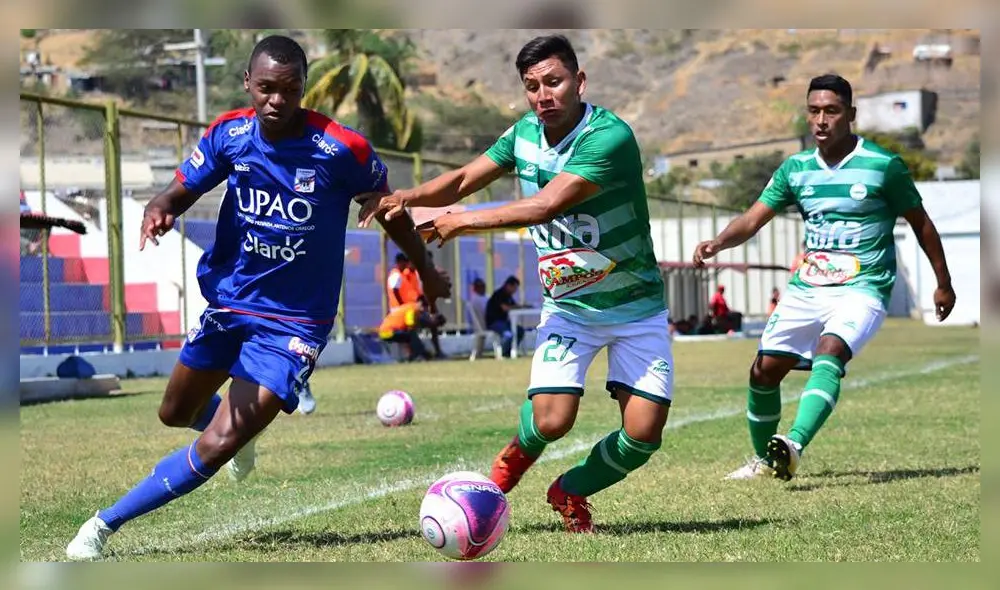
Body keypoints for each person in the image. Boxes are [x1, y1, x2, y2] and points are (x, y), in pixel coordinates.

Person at [65, 35, 450, 560]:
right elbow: (180, 190)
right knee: (176, 413)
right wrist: (161, 207)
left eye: (289, 90)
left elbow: (391, 210)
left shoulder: (342, 149)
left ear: (303, 89)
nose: (276, 100)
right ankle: (242, 434)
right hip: (230, 302)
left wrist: (425, 270)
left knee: (216, 442)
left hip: (294, 324)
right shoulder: (231, 134)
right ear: (248, 83)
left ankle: (101, 528)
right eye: (266, 88)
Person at [358, 34, 673, 533]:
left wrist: (462, 221)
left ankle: (569, 489)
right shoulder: (523, 133)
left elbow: (547, 204)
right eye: (532, 86)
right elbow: (464, 177)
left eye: (554, 81)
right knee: (551, 421)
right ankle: (506, 468)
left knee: (643, 435)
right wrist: (407, 195)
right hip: (570, 309)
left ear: (579, 81)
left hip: (636, 307)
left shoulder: (608, 136)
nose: (544, 94)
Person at [693, 74, 955, 482]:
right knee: (763, 371)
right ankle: (766, 461)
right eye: (814, 111)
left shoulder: (883, 166)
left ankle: (793, 444)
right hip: (807, 287)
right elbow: (753, 218)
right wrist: (718, 243)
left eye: (831, 111)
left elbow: (921, 224)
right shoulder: (795, 169)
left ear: (851, 114)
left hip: (863, 287)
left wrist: (943, 281)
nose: (821, 120)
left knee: (830, 351)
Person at [485, 275, 526, 357]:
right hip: (494, 322)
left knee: (520, 331)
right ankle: (503, 354)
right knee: (508, 335)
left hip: (504, 322)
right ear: (509, 285)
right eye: (514, 288)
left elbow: (514, 306)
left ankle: (510, 352)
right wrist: (519, 306)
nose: (515, 290)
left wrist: (523, 306)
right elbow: (505, 308)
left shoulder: (508, 296)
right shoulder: (499, 294)